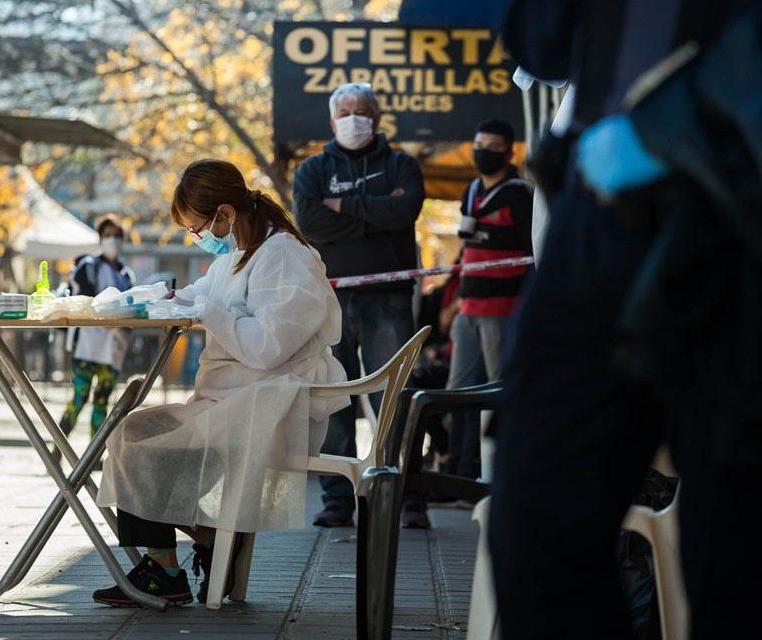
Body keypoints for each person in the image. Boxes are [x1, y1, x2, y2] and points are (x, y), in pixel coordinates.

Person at [489, 1, 761, 638]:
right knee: (537, 521)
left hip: (740, 209)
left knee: (736, 554)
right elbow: (542, 46)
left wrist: (674, 123)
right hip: (603, 204)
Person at [92, 159, 347, 607]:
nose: (199, 238)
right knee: (133, 432)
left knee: (138, 440)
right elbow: (199, 296)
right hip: (235, 397)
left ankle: (171, 564)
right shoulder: (236, 258)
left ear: (224, 214)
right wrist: (153, 298)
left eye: (198, 229)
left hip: (271, 404)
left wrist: (209, 313)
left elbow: (269, 345)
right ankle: (194, 547)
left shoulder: (285, 256)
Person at [292, 82, 426, 528]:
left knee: (396, 398)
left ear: (378, 117)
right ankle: (338, 500)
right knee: (334, 398)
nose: (354, 118)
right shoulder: (312, 170)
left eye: (362, 110)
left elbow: (404, 215)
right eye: (345, 111)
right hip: (330, 301)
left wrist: (342, 208)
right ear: (332, 121)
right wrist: (374, 214)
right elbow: (311, 222)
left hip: (388, 301)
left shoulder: (402, 165)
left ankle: (408, 497)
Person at [446, 120, 532, 479]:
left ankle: (500, 474)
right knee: (456, 393)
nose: (484, 151)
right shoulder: (471, 189)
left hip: (502, 308)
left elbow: (529, 247)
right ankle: (457, 473)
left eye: (493, 146)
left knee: (498, 391)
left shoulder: (520, 194)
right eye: (479, 143)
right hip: (468, 307)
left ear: (509, 152)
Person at [56, 216, 134, 451]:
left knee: (102, 402)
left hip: (112, 347)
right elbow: (82, 301)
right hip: (86, 344)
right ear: (100, 238)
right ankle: (58, 448)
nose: (113, 240)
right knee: (79, 398)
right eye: (108, 235)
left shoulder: (126, 274)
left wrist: (122, 331)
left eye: (118, 236)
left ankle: (94, 454)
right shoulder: (87, 267)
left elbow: (132, 306)